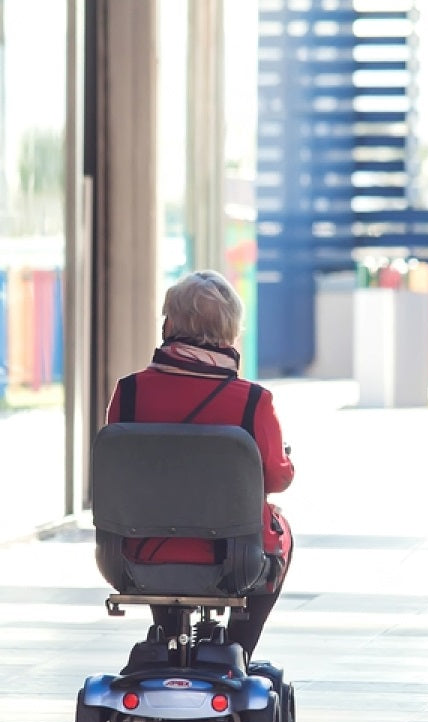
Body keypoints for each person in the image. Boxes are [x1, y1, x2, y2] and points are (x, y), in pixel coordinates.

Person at [104, 270, 294, 661]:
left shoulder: (130, 392)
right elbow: (275, 478)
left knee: (158, 518)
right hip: (232, 560)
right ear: (230, 332)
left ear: (168, 325)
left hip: (139, 556)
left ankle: (168, 631)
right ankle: (239, 650)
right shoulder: (252, 402)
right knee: (281, 531)